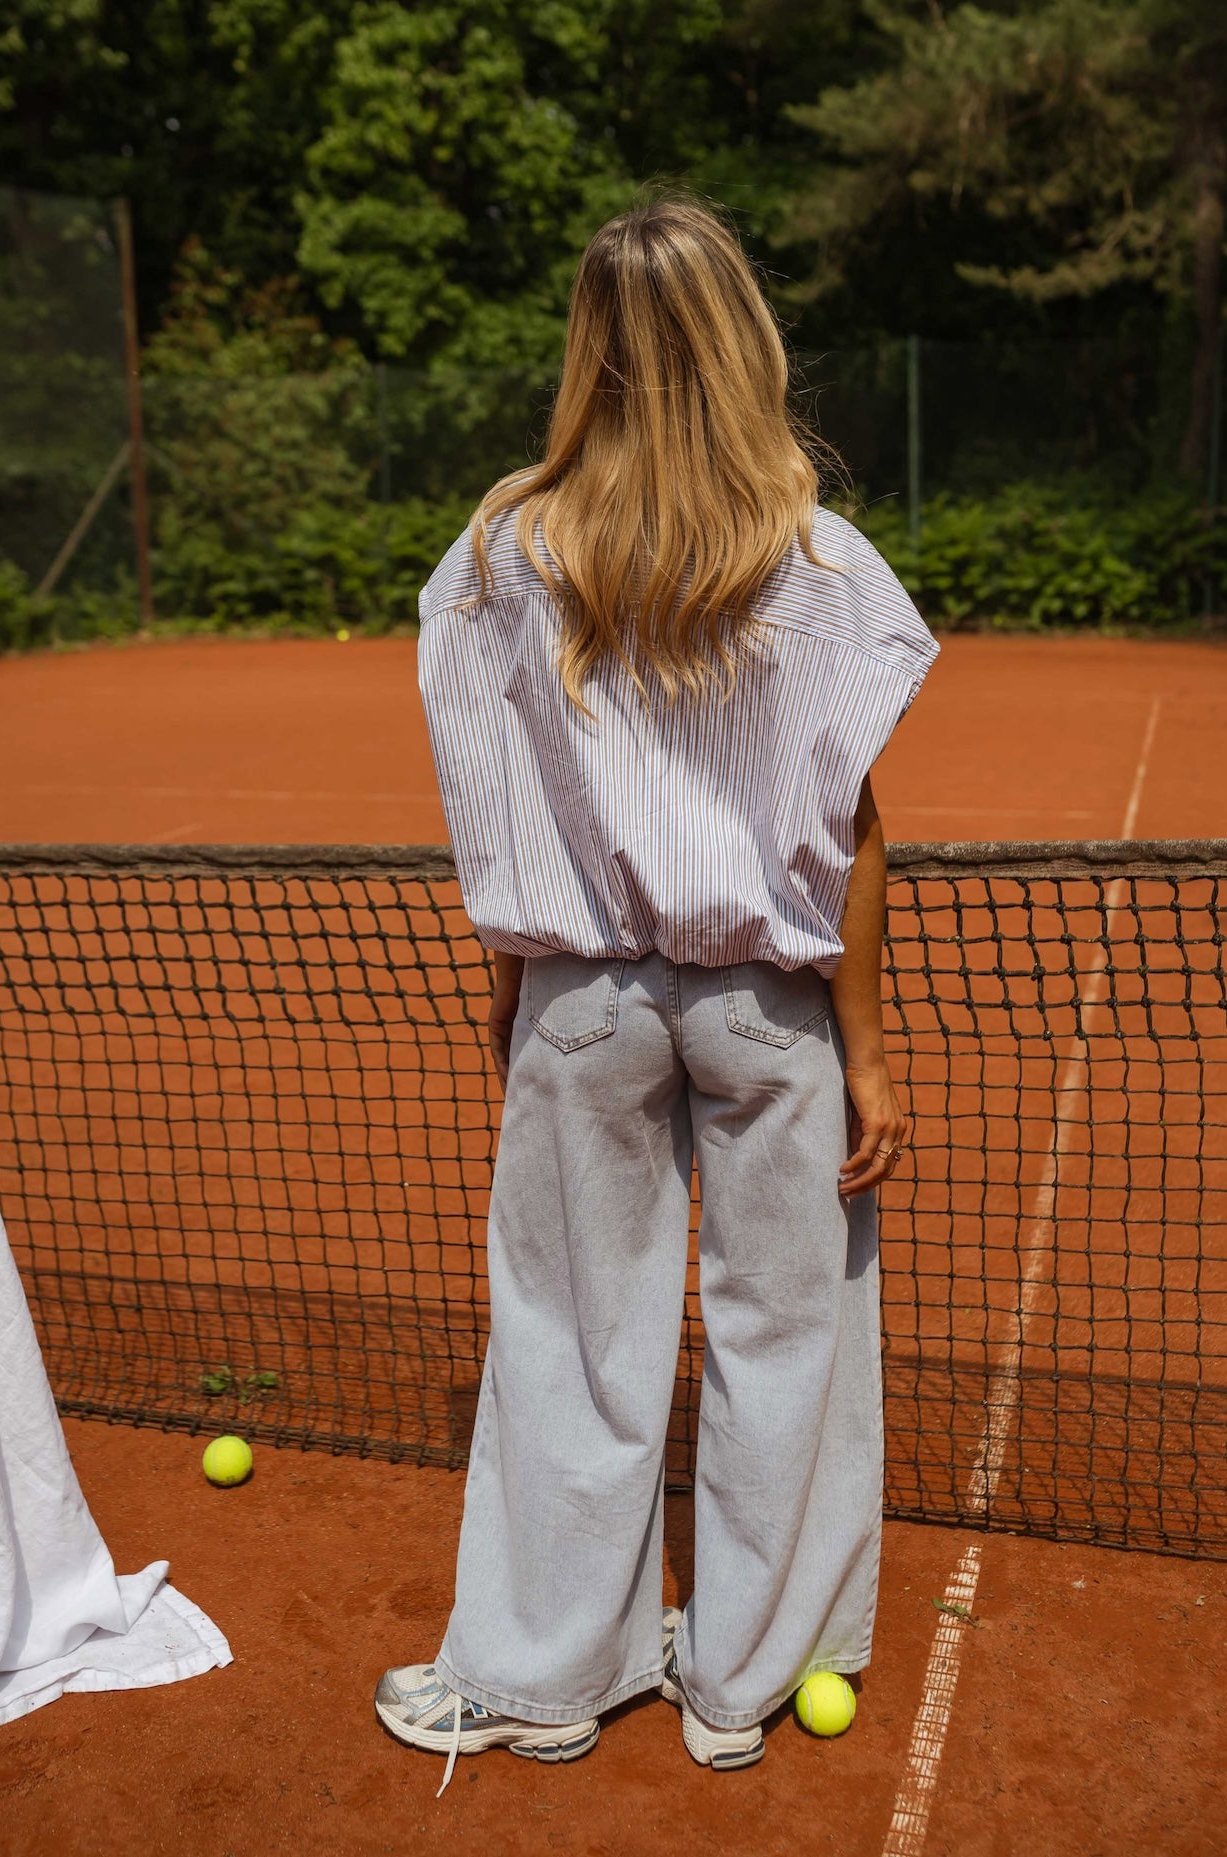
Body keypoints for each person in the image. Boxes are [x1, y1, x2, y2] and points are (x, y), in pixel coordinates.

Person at [375, 195, 938, 1792]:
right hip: (771, 1013)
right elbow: (856, 831)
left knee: (562, 1335)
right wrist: (869, 1050)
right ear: (743, 338)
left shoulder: (501, 548)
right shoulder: (820, 561)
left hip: (579, 1000)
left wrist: (514, 993)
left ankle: (545, 1678)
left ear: (587, 353)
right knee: (788, 1342)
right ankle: (740, 1684)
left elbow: (488, 804)